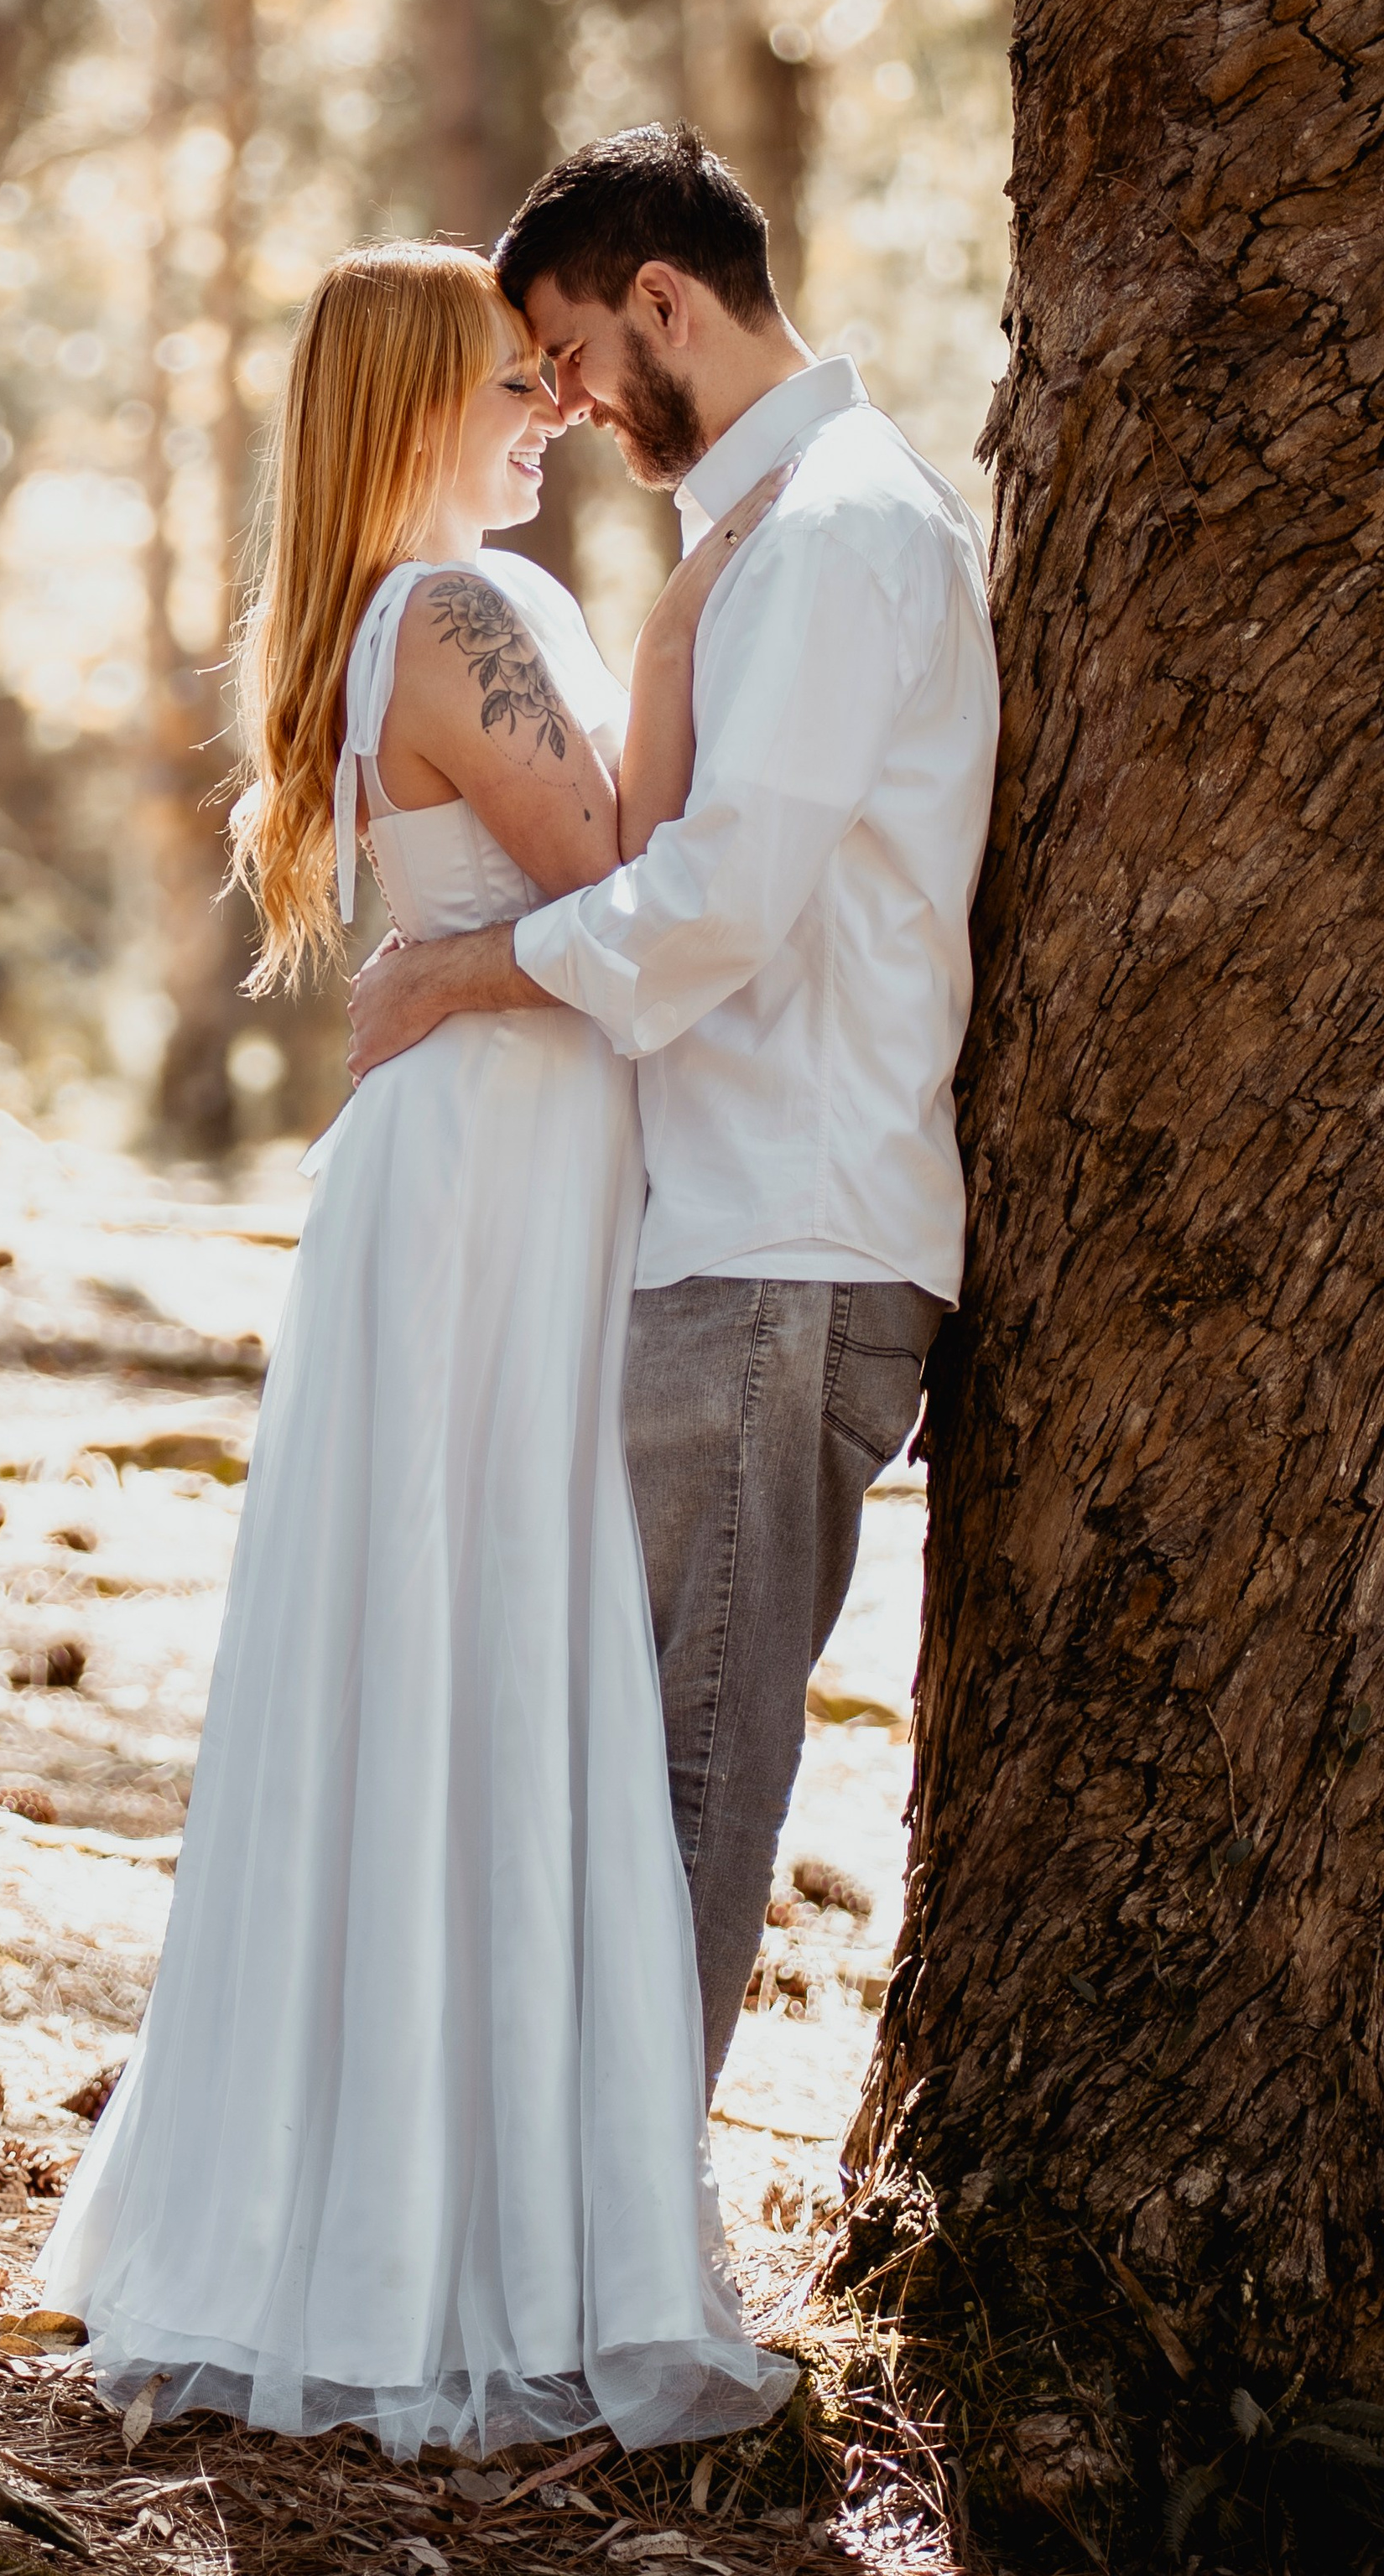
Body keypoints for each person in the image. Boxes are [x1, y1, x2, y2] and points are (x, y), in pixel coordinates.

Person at [36, 239, 795, 2462]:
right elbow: (641, 878)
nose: (553, 403)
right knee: (490, 1644)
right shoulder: (466, 616)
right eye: (509, 376)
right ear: (410, 409)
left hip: (465, 1172)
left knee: (439, 1665)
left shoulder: (392, 627)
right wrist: (700, 635)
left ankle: (388, 2208)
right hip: (494, 1180)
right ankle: (458, 2243)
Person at [350, 126, 1002, 2095]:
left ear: (662, 304)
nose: (551, 402)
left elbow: (714, 904)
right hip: (722, 1231)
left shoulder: (837, 536)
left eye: (560, 353)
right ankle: (574, 2236)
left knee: (688, 1775)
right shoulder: (778, 529)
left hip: (785, 1242)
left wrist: (459, 972)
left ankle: (621, 2268)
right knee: (633, 1770)